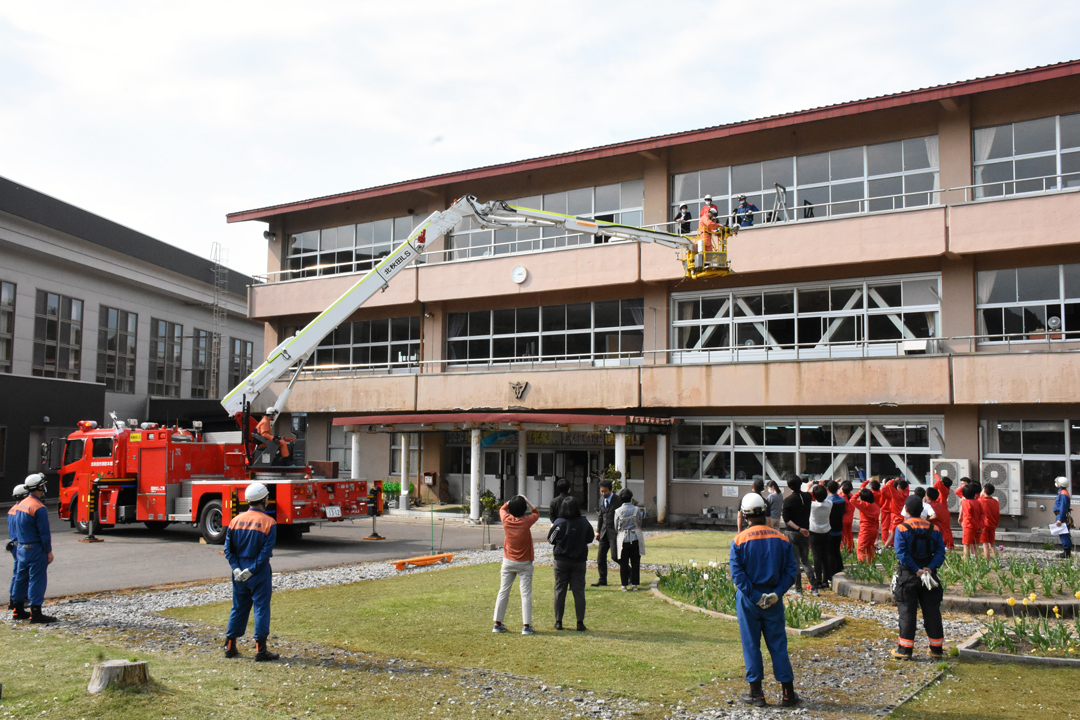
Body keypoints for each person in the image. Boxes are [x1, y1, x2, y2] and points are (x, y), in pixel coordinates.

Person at [730, 493, 800, 708]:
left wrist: (754, 596)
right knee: (778, 644)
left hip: (749, 600)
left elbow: (737, 574)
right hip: (774, 599)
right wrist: (776, 593)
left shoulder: (739, 540)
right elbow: (791, 571)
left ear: (744, 514)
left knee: (751, 645)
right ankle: (788, 693)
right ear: (765, 512)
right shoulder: (781, 538)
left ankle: (756, 693)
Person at [224, 482, 279, 660]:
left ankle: (230, 646)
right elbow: (265, 554)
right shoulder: (269, 522)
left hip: (239, 570)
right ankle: (260, 650)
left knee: (238, 607)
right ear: (264, 500)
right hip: (259, 572)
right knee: (261, 608)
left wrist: (236, 568)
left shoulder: (235, 520)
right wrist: (252, 570)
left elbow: (228, 550)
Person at [891, 496, 946, 659]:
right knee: (932, 612)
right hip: (929, 575)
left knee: (907, 611)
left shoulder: (901, 528)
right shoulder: (934, 529)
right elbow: (941, 552)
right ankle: (936, 649)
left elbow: (901, 553)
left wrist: (916, 569)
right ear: (922, 510)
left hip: (909, 575)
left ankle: (905, 650)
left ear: (906, 510)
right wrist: (930, 567)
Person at [11, 474, 55, 624]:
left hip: (22, 548)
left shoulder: (21, 504)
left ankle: (17, 609)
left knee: (21, 578)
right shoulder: (39, 507)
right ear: (39, 487)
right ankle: (35, 613)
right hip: (35, 549)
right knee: (37, 579)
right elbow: (44, 532)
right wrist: (48, 551)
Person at [492, 495, 540, 635]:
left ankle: (497, 623)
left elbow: (502, 508)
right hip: (524, 562)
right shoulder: (526, 521)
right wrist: (527, 500)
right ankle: (526, 626)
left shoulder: (506, 519)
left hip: (508, 561)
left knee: (503, 591)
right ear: (524, 509)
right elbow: (536, 513)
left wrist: (510, 501)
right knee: (525, 594)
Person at [548, 497, 594, 631]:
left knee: (560, 590)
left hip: (561, 560)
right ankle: (580, 622)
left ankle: (558, 621)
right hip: (579, 561)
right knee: (579, 591)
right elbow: (590, 538)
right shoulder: (584, 522)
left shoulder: (559, 523)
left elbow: (551, 539)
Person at [781, 473, 816, 593]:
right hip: (805, 532)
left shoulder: (788, 500)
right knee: (805, 560)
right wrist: (808, 488)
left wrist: (798, 528)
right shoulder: (807, 497)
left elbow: (786, 519)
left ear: (789, 486)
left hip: (792, 532)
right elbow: (805, 494)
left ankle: (798, 588)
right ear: (800, 484)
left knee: (795, 561)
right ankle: (814, 587)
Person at [591, 479, 623, 587]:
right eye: (601, 491)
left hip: (614, 532)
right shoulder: (601, 500)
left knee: (615, 556)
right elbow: (600, 516)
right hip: (603, 532)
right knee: (600, 557)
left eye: (605, 491)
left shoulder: (617, 500)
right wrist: (597, 531)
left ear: (610, 490)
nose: (603, 493)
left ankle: (629, 572)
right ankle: (602, 579)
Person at [613, 488, 645, 591]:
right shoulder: (636, 509)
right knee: (635, 562)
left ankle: (624, 585)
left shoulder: (618, 511)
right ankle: (635, 584)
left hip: (623, 539)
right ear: (631, 497)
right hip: (635, 537)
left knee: (623, 563)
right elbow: (640, 522)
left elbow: (616, 525)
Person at [6, 484, 27, 615]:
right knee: (21, 573)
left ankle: (13, 599)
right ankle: (16, 599)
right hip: (21, 546)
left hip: (14, 545)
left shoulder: (12, 509)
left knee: (17, 572)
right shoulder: (22, 510)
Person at [808, 485, 832, 593]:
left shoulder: (812, 505)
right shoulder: (829, 504)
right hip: (826, 531)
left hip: (814, 532)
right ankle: (825, 580)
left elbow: (806, 497)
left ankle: (817, 580)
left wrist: (808, 487)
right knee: (825, 556)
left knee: (816, 557)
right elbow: (828, 496)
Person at [848, 489, 880, 562]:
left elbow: (852, 500)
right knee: (870, 548)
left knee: (861, 549)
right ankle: (870, 565)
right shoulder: (876, 506)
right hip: (874, 529)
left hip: (865, 529)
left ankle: (863, 566)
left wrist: (859, 492)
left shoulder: (864, 505)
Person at [880, 478, 910, 548]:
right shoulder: (906, 493)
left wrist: (892, 480)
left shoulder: (896, 494)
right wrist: (899, 479)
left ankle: (886, 547)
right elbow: (906, 485)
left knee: (891, 532)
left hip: (896, 515)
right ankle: (891, 545)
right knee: (895, 531)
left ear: (899, 487)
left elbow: (887, 487)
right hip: (901, 515)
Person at [826, 481, 846, 583]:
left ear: (827, 489)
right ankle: (840, 569)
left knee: (830, 552)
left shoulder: (828, 501)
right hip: (839, 527)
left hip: (829, 528)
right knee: (837, 550)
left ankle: (831, 573)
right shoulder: (842, 500)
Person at [958, 482, 984, 560]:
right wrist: (980, 525)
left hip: (968, 526)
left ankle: (966, 563)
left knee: (966, 545)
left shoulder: (965, 502)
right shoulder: (977, 502)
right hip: (978, 526)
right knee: (975, 546)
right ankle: (977, 562)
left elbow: (968, 516)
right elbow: (982, 514)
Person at [931, 474, 955, 549]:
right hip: (943, 509)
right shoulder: (945, 489)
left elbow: (937, 483)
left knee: (944, 528)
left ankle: (947, 544)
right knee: (945, 527)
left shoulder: (943, 488)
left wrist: (936, 474)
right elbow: (936, 485)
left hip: (941, 509)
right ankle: (946, 543)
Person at [978, 484, 1001, 559]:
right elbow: (997, 514)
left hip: (984, 525)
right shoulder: (995, 501)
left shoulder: (980, 500)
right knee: (992, 543)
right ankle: (997, 560)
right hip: (993, 524)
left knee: (985, 544)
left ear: (984, 490)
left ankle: (987, 561)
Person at [1053, 476, 1073, 559]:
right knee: (1062, 533)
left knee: (1063, 533)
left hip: (1062, 516)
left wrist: (1060, 519)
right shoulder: (1062, 492)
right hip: (1060, 515)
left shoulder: (1063, 494)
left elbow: (1063, 507)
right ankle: (1066, 551)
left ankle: (1067, 552)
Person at [839, 481, 856, 552]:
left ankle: (845, 550)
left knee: (843, 536)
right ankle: (851, 548)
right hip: (850, 518)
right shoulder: (852, 496)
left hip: (843, 519)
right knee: (849, 535)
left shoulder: (842, 498)